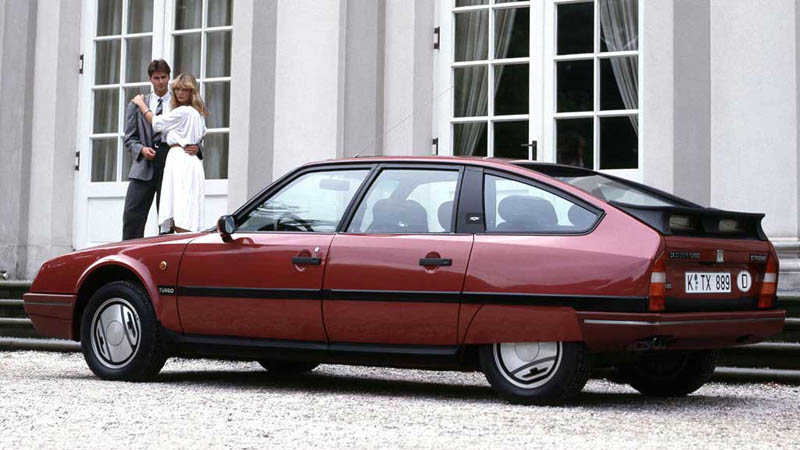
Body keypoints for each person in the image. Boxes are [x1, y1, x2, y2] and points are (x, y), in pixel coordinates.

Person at [121, 59, 202, 240]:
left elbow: (195, 129)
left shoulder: (179, 102)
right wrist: (141, 149)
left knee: (169, 216)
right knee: (132, 215)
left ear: (169, 77)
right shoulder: (137, 104)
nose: (160, 82)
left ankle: (166, 253)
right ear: (150, 79)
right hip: (145, 163)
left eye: (164, 77)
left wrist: (197, 147)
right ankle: (129, 252)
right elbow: (130, 139)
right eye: (156, 78)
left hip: (172, 160)